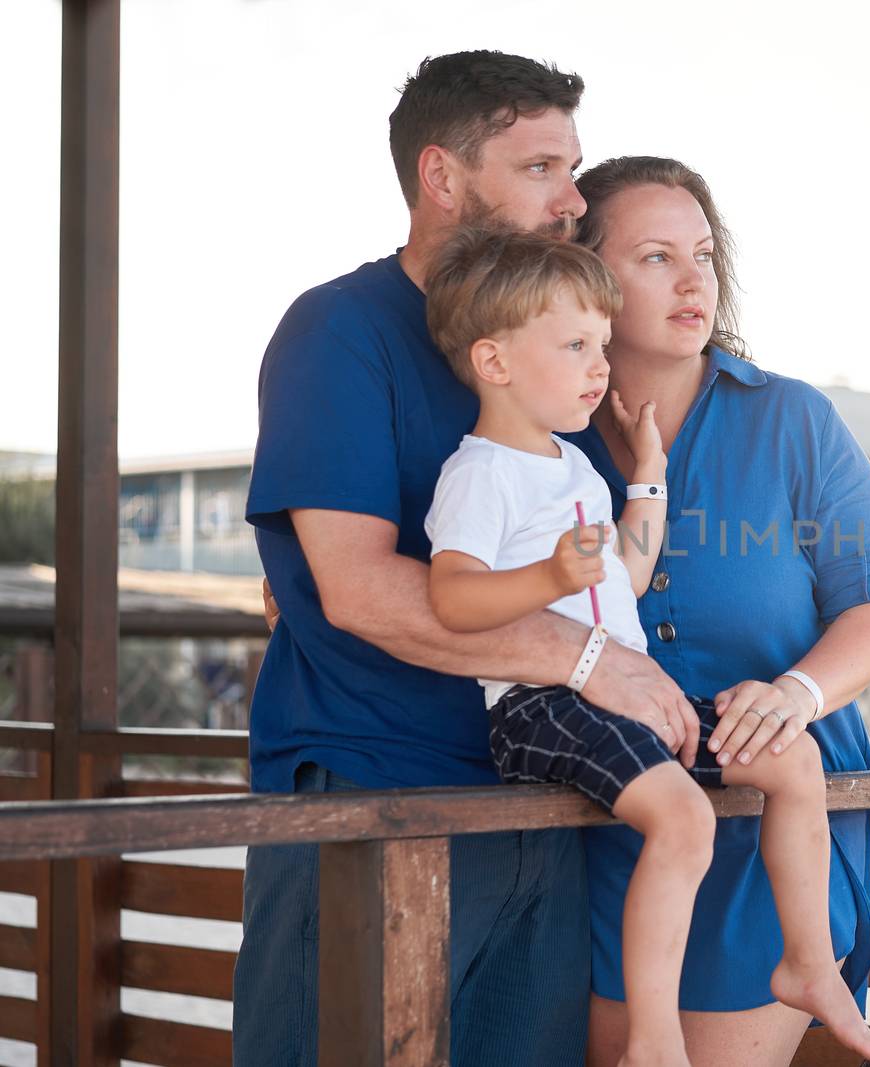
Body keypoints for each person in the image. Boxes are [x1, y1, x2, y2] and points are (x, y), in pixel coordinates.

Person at [235, 52, 697, 1065]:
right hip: (377, 793)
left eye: (572, 169)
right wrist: (590, 661)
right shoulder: (339, 331)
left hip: (546, 794)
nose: (574, 199)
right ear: (442, 177)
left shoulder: (553, 350)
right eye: (540, 167)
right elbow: (355, 587)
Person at [420, 227, 870, 1065]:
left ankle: (810, 963)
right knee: (683, 815)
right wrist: (547, 576)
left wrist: (648, 475)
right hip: (543, 706)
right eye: (576, 345)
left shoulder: (573, 466)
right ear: (494, 362)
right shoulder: (481, 472)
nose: (596, 365)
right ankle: (655, 1038)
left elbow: (626, 576)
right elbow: (451, 597)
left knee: (793, 759)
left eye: (599, 344)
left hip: (619, 708)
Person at [565, 156, 870, 1067]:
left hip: (770, 838)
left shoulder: (796, 421)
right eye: (656, 257)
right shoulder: (543, 436)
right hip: (596, 820)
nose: (695, 280)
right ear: (586, 279)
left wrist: (798, 692)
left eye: (703, 253)